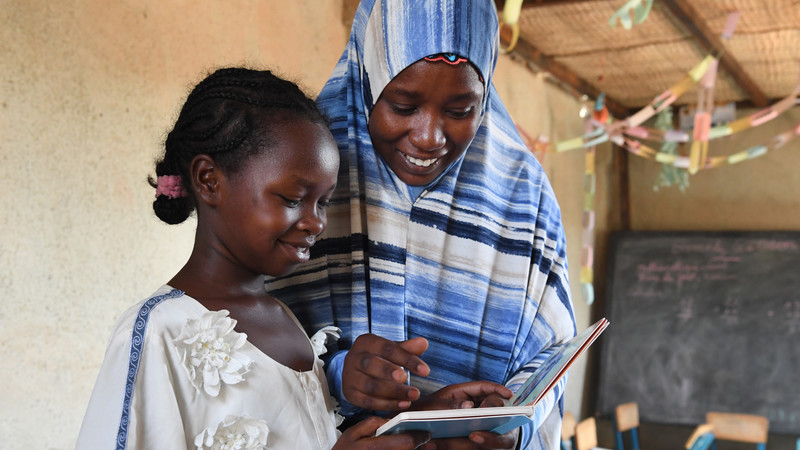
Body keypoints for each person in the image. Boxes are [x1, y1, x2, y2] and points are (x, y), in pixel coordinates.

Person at [265, 0, 577, 449]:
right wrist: (335, 371)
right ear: (369, 79)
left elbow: (553, 355)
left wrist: (513, 430)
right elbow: (247, 341)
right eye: (403, 104)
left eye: (460, 110)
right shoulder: (305, 167)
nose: (429, 136)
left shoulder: (523, 194)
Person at [76, 67, 442, 449]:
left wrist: (420, 425)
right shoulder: (158, 333)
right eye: (292, 199)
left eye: (323, 202)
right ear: (208, 180)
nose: (315, 222)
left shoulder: (289, 324)